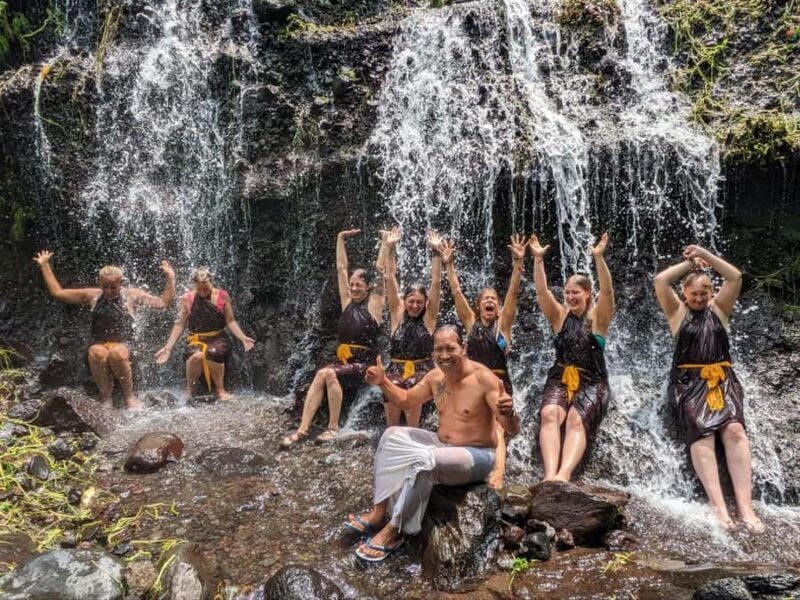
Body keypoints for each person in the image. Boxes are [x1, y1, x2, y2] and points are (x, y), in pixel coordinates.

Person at [345, 325, 520, 562]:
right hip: (443, 445)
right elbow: (407, 400)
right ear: (433, 353)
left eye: (451, 348)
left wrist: (508, 413)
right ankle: (379, 512)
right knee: (390, 436)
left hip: (477, 455)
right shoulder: (435, 377)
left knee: (425, 460)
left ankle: (394, 530)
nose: (444, 356)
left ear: (464, 348)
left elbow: (511, 430)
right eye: (439, 350)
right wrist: (383, 381)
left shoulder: (484, 379)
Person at [654, 245, 764, 533]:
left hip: (722, 380)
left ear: (711, 294)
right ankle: (719, 508)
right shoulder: (677, 312)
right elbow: (660, 281)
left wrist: (706, 254)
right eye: (694, 295)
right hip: (688, 384)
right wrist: (690, 263)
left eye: (704, 294)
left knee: (735, 431)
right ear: (685, 296)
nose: (700, 299)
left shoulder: (720, 309)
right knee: (703, 435)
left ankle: (746, 508)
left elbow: (735, 277)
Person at [281, 229, 386, 447]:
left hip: (363, 364)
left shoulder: (374, 306)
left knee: (327, 372)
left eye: (359, 285)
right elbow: (341, 268)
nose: (354, 288)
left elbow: (381, 272)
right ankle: (302, 429)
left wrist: (385, 243)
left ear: (368, 287)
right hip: (344, 362)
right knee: (322, 375)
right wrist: (339, 239)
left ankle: (333, 428)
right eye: (352, 284)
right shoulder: (347, 302)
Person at [33, 250, 175, 409]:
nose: (108, 291)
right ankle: (106, 397)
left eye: (113, 287)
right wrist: (44, 265)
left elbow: (162, 303)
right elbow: (58, 293)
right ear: (100, 282)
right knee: (96, 351)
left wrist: (170, 278)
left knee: (116, 353)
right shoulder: (93, 295)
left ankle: (130, 396)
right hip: (100, 343)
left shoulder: (132, 295)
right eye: (105, 286)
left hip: (126, 345)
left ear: (121, 282)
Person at [531, 233, 614, 482]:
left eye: (575, 292)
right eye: (567, 293)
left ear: (587, 293)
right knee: (549, 415)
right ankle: (549, 475)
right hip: (560, 377)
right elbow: (542, 291)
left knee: (576, 420)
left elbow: (608, 292)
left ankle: (563, 475)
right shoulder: (559, 317)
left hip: (592, 380)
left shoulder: (598, 319)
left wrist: (598, 258)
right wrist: (537, 260)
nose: (569, 297)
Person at [439, 234, 527, 394]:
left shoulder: (503, 325)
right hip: (474, 380)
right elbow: (457, 292)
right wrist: (449, 264)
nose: (490, 301)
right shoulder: (471, 323)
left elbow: (513, 292)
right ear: (478, 307)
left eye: (493, 299)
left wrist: (518, 262)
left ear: (499, 308)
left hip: (499, 382)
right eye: (486, 299)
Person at [154, 267, 255, 400]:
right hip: (195, 339)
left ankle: (221, 390)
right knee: (196, 356)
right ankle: (189, 390)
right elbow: (180, 324)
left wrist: (243, 338)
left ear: (211, 282)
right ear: (194, 286)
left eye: (206, 289)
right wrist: (168, 347)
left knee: (213, 352)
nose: (202, 292)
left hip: (218, 338)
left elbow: (230, 321)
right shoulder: (186, 298)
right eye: (199, 289)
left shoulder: (222, 296)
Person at [378, 227, 443, 427]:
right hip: (396, 367)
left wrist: (436, 252)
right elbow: (389, 278)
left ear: (425, 303)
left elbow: (437, 282)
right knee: (393, 385)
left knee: (413, 389)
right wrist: (389, 247)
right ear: (404, 301)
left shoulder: (429, 318)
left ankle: (412, 434)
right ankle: (392, 433)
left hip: (423, 370)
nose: (415, 305)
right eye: (411, 301)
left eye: (419, 302)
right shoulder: (396, 313)